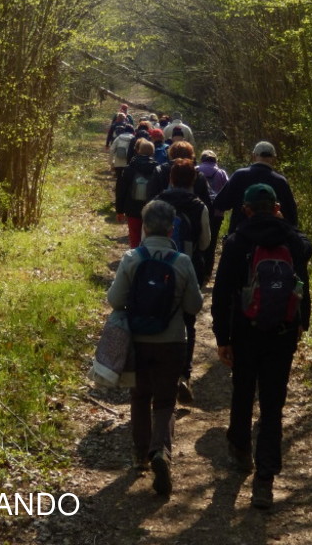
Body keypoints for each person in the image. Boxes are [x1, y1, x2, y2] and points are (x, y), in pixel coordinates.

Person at [211, 182, 312, 510]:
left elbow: (222, 293)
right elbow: (302, 285)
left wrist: (222, 338)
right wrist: (302, 322)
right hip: (282, 332)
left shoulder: (237, 242)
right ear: (276, 208)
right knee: (272, 403)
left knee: (243, 390)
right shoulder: (293, 240)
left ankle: (240, 449)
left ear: (246, 210)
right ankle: (265, 479)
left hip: (245, 331)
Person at [107, 199, 204, 496]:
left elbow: (114, 299)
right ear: (171, 229)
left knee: (139, 395)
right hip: (172, 341)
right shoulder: (182, 262)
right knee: (164, 400)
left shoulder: (132, 258)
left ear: (145, 228)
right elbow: (194, 306)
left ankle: (140, 454)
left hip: (137, 341)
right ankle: (160, 450)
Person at [153, 158, 211, 403]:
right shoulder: (199, 206)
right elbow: (205, 243)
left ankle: (158, 373)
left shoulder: (158, 202)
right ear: (193, 181)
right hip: (189, 267)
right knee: (188, 322)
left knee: (158, 315)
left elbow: (146, 238)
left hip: (158, 268)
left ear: (171, 178)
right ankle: (183, 375)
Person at [214, 141, 299, 232]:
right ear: (274, 158)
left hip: (241, 234)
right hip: (271, 236)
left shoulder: (239, 175)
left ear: (253, 156)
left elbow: (220, 203)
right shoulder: (281, 181)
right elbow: (292, 217)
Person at [116, 139, 158, 247]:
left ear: (138, 151)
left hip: (132, 208)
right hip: (151, 210)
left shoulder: (129, 168)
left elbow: (121, 190)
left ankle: (135, 255)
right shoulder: (157, 169)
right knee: (149, 238)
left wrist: (119, 210)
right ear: (152, 152)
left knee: (134, 236)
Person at [197, 150, 230, 284]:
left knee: (198, 239)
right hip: (217, 213)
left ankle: (198, 268)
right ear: (215, 160)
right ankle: (208, 272)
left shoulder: (196, 170)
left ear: (202, 159)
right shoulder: (221, 173)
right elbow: (228, 190)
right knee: (212, 240)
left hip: (198, 211)